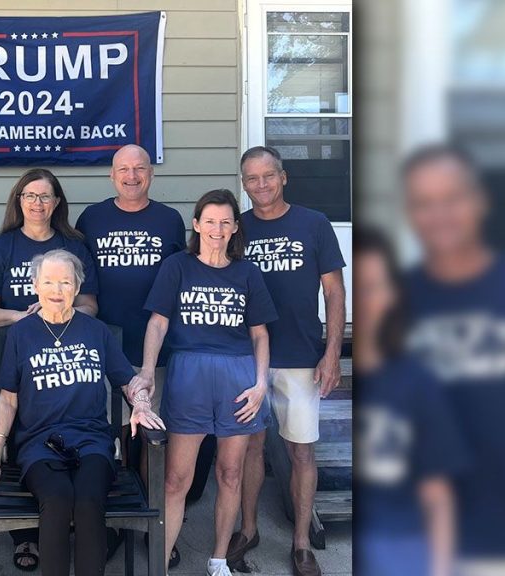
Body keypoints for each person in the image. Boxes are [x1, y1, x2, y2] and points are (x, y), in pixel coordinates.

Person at [400, 145, 505, 574]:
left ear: (479, 200)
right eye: (424, 203)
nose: (439, 214)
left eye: (453, 198)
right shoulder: (397, 299)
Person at [0, 249, 164, 576]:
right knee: (56, 499)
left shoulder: (96, 332)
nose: (57, 290)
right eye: (49, 282)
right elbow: (7, 400)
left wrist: (139, 403)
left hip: (93, 441)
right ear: (35, 286)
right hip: (39, 444)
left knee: (88, 501)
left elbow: (127, 381)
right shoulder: (20, 334)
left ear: (77, 287)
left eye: (66, 282)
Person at [140, 189, 277, 576]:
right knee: (175, 479)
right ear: (197, 225)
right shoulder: (177, 267)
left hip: (238, 376)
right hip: (189, 375)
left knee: (230, 473)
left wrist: (261, 384)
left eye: (225, 222)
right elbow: (158, 322)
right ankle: (160, 563)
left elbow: (260, 334)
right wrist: (149, 371)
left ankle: (218, 561)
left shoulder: (247, 272)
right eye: (210, 221)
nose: (217, 229)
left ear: (235, 228)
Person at [0, 168, 98, 571]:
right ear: (18, 200)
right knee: (27, 448)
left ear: (57, 202)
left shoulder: (74, 246)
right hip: (18, 364)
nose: (37, 203)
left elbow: (92, 306)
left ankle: (70, 533)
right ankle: (27, 540)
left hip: (67, 366)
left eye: (45, 196)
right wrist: (26, 317)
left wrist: (56, 312)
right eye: (30, 195)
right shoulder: (1, 248)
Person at [232, 145, 346, 576]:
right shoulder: (236, 228)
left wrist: (332, 352)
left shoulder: (313, 224)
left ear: (283, 177)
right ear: (244, 184)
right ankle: (248, 529)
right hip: (246, 357)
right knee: (250, 450)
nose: (260, 185)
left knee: (301, 450)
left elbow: (335, 292)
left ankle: (301, 543)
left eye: (268, 176)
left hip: (301, 354)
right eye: (251, 178)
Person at [75, 144, 188, 566]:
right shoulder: (92, 218)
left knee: (149, 441)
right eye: (124, 168)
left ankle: (154, 524)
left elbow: (181, 283)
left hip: (152, 352)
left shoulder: (169, 220)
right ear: (111, 175)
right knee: (110, 439)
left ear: (151, 175)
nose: (132, 175)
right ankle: (109, 525)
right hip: (100, 350)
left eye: (140, 168)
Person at [352, 226, 464, 576]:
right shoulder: (320, 377)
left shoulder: (418, 381)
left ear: (392, 294)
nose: (364, 298)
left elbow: (438, 495)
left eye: (373, 287)